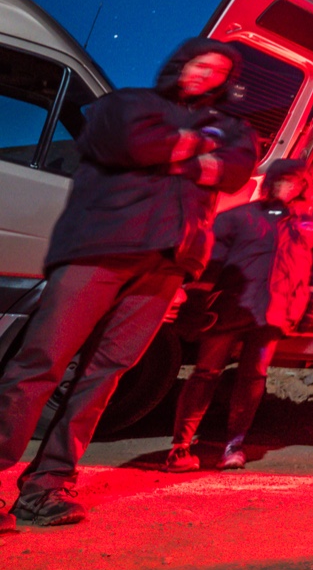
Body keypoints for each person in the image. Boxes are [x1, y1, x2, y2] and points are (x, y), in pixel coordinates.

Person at [0, 40, 255, 530]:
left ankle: (48, 483)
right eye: (201, 63)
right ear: (181, 62)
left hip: (164, 266)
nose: (207, 75)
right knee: (41, 363)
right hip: (98, 252)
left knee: (104, 376)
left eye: (219, 71)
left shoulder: (232, 128)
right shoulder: (126, 104)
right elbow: (127, 146)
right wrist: (194, 153)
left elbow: (237, 170)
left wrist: (170, 153)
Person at [167, 159, 313, 470]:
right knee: (205, 374)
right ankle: (180, 446)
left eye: (290, 181)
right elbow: (209, 262)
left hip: (274, 313)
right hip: (228, 311)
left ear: (304, 185)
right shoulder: (236, 218)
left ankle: (234, 445)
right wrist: (195, 302)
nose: (283, 187)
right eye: (277, 180)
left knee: (254, 377)